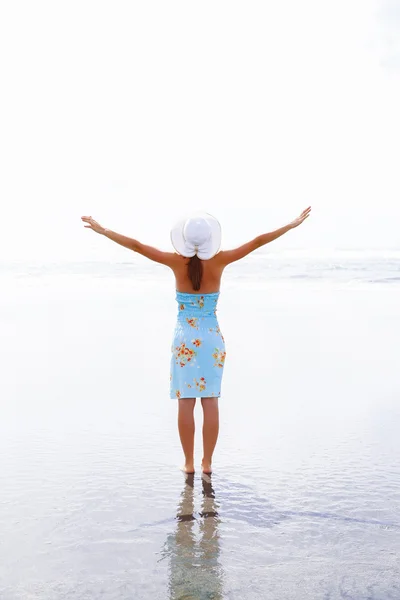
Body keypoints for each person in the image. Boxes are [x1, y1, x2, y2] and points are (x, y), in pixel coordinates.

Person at [81, 206, 311, 474]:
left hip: (185, 340)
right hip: (212, 338)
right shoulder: (220, 261)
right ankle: (208, 464)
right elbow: (258, 241)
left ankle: (189, 463)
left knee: (186, 402)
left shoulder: (176, 262)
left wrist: (103, 230)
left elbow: (136, 246)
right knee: (210, 400)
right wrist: (290, 225)